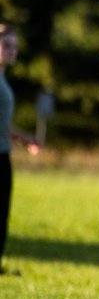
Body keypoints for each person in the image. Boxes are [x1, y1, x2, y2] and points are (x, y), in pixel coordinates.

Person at [0, 24, 41, 274]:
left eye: (15, 46)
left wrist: (24, 139)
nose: (12, 51)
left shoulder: (2, 77)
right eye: (6, 45)